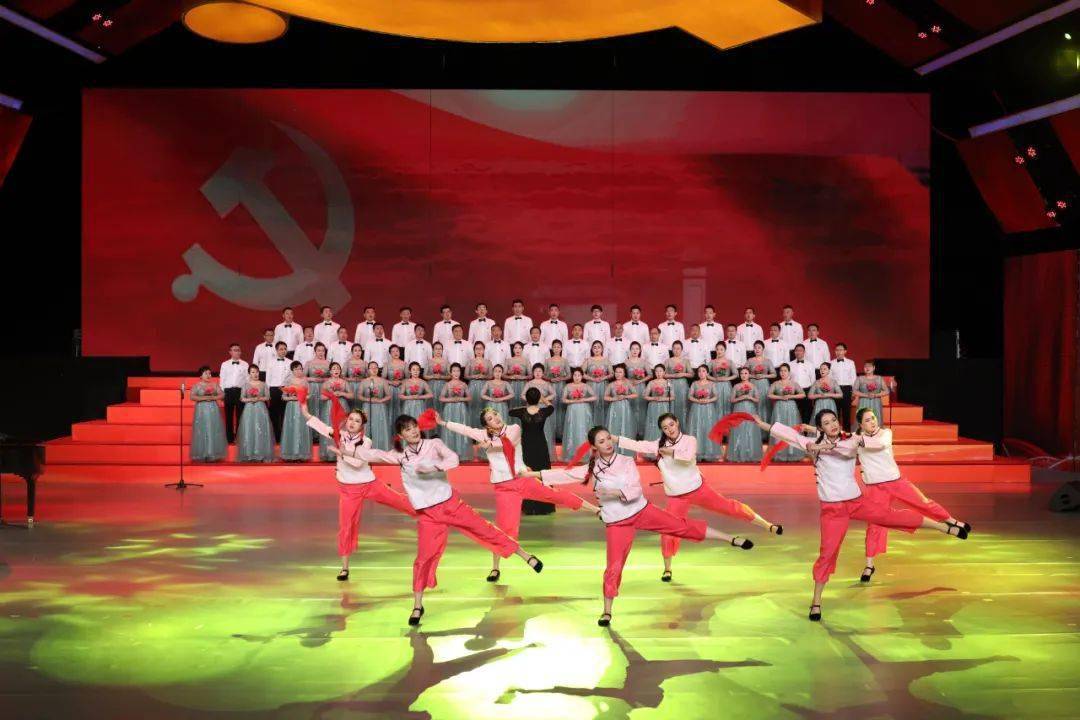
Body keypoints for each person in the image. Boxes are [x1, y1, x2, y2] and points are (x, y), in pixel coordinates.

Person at [750, 410, 967, 622]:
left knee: (890, 517)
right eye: (826, 423)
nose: (832, 424)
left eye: (834, 420)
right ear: (820, 428)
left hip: (856, 503)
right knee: (827, 554)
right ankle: (816, 602)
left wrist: (826, 446)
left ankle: (944, 527)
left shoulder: (851, 440)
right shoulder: (812, 443)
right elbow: (789, 434)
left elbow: (862, 445)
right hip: (832, 510)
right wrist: (763, 425)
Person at [527, 426, 752, 627]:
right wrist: (533, 474)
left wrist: (613, 492)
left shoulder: (626, 462)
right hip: (617, 522)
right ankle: (607, 611)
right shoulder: (592, 468)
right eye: (602, 441)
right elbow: (564, 474)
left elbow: (634, 490)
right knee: (614, 567)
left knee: (680, 527)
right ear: (594, 447)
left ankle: (731, 539)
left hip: (641, 511)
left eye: (608, 439)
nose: (607, 443)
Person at [365, 415, 545, 626]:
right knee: (423, 558)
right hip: (428, 514)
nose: (413, 431)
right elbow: (372, 454)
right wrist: (345, 449)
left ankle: (525, 555)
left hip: (451, 504)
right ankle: (417, 605)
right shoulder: (400, 456)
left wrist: (434, 467)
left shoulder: (434, 444)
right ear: (401, 435)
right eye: (407, 429)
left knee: (486, 530)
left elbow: (453, 460)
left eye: (414, 427)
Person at [615, 413, 781, 581]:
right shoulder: (658, 445)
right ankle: (667, 569)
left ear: (677, 423)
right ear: (662, 430)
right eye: (665, 428)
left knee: (731, 507)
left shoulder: (689, 440)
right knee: (668, 531)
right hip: (676, 496)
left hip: (698, 489)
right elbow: (635, 444)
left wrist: (670, 452)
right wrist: (613, 439)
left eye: (671, 425)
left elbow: (687, 458)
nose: (669, 429)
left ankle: (767, 525)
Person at [438, 407, 598, 580]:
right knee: (504, 529)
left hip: (523, 479)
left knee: (556, 495)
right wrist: (443, 423)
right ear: (487, 425)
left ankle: (596, 510)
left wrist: (489, 445)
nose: (495, 418)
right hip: (504, 487)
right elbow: (464, 429)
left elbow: (507, 444)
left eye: (495, 415)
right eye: (490, 418)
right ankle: (496, 568)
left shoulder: (514, 428)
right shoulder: (483, 435)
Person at [855, 407, 972, 583]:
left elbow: (879, 445)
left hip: (896, 481)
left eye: (873, 418)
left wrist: (856, 440)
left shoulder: (885, 433)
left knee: (923, 502)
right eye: (867, 420)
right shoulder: (855, 439)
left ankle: (951, 520)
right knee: (874, 524)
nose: (872, 422)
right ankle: (869, 565)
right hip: (875, 488)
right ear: (861, 425)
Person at [301, 404, 416, 581]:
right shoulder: (339, 435)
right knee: (346, 527)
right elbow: (318, 425)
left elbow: (357, 463)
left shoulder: (366, 441)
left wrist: (342, 452)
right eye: (351, 419)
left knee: (398, 500)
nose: (352, 422)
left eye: (357, 421)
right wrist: (304, 409)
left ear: (362, 426)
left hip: (369, 483)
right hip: (348, 489)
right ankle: (344, 568)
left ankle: (429, 511)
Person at [766, 364, 806, 461]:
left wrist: (791, 396)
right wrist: (780, 397)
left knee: (791, 428)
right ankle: (779, 452)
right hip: (779, 408)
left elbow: (803, 394)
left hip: (791, 407)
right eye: (781, 371)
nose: (783, 373)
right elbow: (769, 395)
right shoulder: (776, 383)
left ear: (789, 372)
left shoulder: (794, 383)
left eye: (785, 371)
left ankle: (792, 451)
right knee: (779, 429)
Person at [236, 364, 274, 462]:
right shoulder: (245, 385)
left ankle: (261, 454)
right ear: (249, 373)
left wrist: (259, 398)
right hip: (249, 409)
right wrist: (250, 399)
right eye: (253, 372)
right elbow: (242, 398)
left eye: (257, 372)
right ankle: (249, 454)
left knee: (261, 429)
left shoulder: (263, 384)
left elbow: (267, 397)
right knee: (249, 429)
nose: (255, 374)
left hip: (261, 408)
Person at [190, 365, 227, 462]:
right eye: (205, 373)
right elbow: (192, 397)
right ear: (200, 375)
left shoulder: (214, 385)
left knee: (212, 428)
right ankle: (202, 453)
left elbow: (222, 394)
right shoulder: (197, 386)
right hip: (201, 410)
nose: (208, 375)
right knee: (202, 429)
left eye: (209, 373)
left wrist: (213, 397)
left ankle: (212, 453)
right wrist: (204, 398)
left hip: (213, 410)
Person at [521, 365, 557, 461]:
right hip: (531, 408)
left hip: (542, 408)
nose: (538, 373)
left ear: (543, 373)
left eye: (540, 371)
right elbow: (522, 395)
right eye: (536, 371)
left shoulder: (546, 383)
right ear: (533, 372)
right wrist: (530, 400)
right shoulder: (529, 383)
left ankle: (545, 453)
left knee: (545, 429)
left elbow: (554, 394)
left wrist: (543, 400)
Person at [318, 363, 353, 461]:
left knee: (342, 427)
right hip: (330, 407)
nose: (336, 370)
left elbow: (351, 395)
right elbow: (321, 397)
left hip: (342, 406)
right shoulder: (326, 383)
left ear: (340, 371)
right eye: (334, 369)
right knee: (330, 428)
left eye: (338, 368)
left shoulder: (344, 382)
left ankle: (344, 453)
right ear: (330, 371)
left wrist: (341, 393)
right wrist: (331, 395)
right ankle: (330, 454)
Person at [686, 366, 722, 461]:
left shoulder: (711, 384)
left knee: (708, 428)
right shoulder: (694, 383)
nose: (701, 373)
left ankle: (709, 452)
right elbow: (689, 396)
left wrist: (708, 400)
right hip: (696, 408)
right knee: (696, 427)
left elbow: (716, 396)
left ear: (707, 373)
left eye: (703, 371)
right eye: (699, 371)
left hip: (708, 408)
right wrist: (697, 400)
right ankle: (696, 453)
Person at [726, 367, 762, 462]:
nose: (744, 375)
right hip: (739, 409)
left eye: (746, 373)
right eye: (742, 373)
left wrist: (749, 397)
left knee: (750, 430)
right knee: (738, 430)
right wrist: (741, 397)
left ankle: (750, 454)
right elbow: (732, 400)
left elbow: (757, 399)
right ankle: (738, 454)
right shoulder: (736, 386)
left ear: (749, 375)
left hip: (750, 409)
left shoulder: (753, 386)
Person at [438, 364, 473, 459]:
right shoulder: (447, 384)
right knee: (449, 429)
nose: (456, 373)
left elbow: (469, 397)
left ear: (460, 372)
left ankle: (461, 453)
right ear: (450, 372)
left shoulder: (464, 384)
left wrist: (460, 399)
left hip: (461, 409)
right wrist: (451, 400)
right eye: (454, 371)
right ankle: (449, 454)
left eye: (458, 371)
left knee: (460, 428)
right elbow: (441, 398)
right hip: (449, 409)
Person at [561, 367, 596, 461]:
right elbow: (563, 399)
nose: (577, 377)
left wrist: (584, 399)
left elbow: (594, 397)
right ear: (572, 376)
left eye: (579, 375)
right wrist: (572, 401)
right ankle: (572, 453)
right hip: (572, 409)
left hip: (584, 409)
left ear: (582, 376)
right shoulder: (568, 386)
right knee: (572, 428)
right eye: (575, 375)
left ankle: (585, 453)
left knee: (584, 429)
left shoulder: (586, 386)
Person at [279, 361, 312, 461]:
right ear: (292, 370)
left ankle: (301, 454)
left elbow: (309, 395)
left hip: (302, 406)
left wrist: (302, 397)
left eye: (300, 369)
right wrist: (293, 398)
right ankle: (290, 454)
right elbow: (284, 397)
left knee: (301, 427)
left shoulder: (305, 381)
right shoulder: (288, 381)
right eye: (296, 369)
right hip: (291, 407)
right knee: (291, 427)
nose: (299, 371)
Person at [357, 361, 392, 450]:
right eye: (372, 367)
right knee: (366, 425)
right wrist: (368, 400)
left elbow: (388, 395)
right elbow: (359, 396)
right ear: (368, 370)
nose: (374, 369)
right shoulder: (364, 381)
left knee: (380, 426)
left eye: (376, 367)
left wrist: (380, 400)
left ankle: (380, 447)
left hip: (380, 407)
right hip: (367, 406)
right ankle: (365, 449)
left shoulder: (383, 381)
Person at [604, 364, 638, 453]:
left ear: (624, 373)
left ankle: (625, 450)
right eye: (616, 372)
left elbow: (635, 394)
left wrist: (625, 396)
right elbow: (605, 397)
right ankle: (613, 450)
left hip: (625, 407)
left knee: (625, 425)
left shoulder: (627, 384)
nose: (618, 374)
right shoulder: (611, 384)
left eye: (620, 372)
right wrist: (614, 398)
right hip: (614, 407)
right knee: (613, 425)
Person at [219, 342, 248, 444]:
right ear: (230, 352)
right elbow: (222, 379)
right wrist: (222, 392)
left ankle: (239, 438)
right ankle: (229, 438)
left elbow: (247, 380)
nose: (237, 352)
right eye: (235, 350)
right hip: (228, 392)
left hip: (240, 391)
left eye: (238, 350)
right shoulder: (225, 364)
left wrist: (245, 393)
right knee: (229, 416)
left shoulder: (245, 364)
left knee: (240, 416)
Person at [852, 360, 890, 431]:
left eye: (869, 366)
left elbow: (887, 391)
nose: (867, 368)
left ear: (874, 368)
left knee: (875, 417)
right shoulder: (860, 378)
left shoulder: (879, 378)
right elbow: (854, 391)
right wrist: (866, 395)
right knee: (863, 417)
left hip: (876, 402)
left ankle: (876, 434)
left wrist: (876, 395)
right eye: (865, 366)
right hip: (863, 402)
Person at [266, 341, 291, 441]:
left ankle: (285, 437)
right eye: (281, 349)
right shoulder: (270, 362)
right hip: (274, 389)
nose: (283, 351)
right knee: (274, 414)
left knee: (285, 413)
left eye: (285, 349)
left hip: (286, 389)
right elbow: (268, 378)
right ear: (276, 350)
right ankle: (276, 436)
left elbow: (291, 378)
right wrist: (268, 392)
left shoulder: (290, 362)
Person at [584, 341, 613, 426]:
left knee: (603, 403)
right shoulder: (588, 360)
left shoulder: (606, 360)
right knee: (591, 403)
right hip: (591, 385)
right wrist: (592, 378)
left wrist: (604, 377)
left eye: (599, 347)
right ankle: (591, 425)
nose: (597, 349)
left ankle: (603, 425)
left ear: (602, 349)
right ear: (592, 349)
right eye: (595, 347)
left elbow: (612, 374)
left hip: (603, 385)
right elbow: (581, 373)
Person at [642, 365, 673, 446]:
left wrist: (663, 399)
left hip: (664, 406)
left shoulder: (668, 382)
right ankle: (652, 445)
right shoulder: (651, 382)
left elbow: (672, 397)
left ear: (664, 372)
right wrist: (654, 398)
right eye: (656, 371)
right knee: (653, 423)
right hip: (653, 406)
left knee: (664, 423)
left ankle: (665, 444)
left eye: (660, 371)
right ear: (654, 372)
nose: (658, 373)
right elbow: (645, 396)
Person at [399, 362, 433, 430]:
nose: (416, 371)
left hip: (420, 406)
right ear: (410, 371)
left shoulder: (423, 382)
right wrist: (410, 397)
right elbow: (400, 395)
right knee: (408, 423)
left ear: (420, 371)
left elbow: (431, 394)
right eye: (413, 369)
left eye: (417, 370)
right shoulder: (406, 382)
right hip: (408, 406)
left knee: (419, 423)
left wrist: (420, 397)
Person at [746, 341, 775, 420]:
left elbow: (774, 374)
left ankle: (764, 422)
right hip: (753, 384)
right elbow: (744, 373)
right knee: (753, 402)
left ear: (763, 349)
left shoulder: (768, 361)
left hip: (764, 384)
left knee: (764, 403)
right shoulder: (750, 360)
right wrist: (753, 376)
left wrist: (764, 376)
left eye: (759, 348)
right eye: (755, 348)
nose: (757, 349)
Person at [665, 341, 692, 423]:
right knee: (671, 403)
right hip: (671, 384)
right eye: (674, 348)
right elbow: (664, 375)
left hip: (683, 385)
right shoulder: (668, 361)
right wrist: (674, 375)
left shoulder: (686, 361)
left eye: (678, 348)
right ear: (672, 350)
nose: (676, 350)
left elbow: (691, 374)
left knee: (683, 404)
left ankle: (683, 424)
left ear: (681, 350)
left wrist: (682, 374)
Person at [831, 342, 857, 428]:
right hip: (835, 390)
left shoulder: (850, 362)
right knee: (835, 413)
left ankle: (847, 433)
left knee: (847, 413)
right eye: (837, 350)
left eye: (841, 350)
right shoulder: (831, 363)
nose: (838, 352)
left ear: (845, 351)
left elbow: (853, 378)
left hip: (847, 389)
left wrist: (854, 392)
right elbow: (830, 379)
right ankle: (835, 432)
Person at [464, 345, 490, 426]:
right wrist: (474, 376)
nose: (479, 351)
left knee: (484, 405)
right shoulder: (470, 361)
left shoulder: (488, 362)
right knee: (473, 404)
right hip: (473, 385)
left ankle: (485, 426)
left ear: (484, 350)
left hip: (484, 385)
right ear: (474, 351)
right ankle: (473, 425)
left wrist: (483, 376)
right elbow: (466, 375)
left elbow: (491, 375)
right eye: (477, 349)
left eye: (481, 349)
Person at [789, 344, 816, 422]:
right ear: (794, 352)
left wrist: (811, 393)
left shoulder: (810, 364)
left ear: (804, 352)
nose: (798, 352)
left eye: (800, 350)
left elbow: (813, 381)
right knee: (794, 413)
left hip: (806, 391)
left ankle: (806, 429)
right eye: (796, 350)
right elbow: (788, 379)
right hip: (794, 392)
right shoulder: (790, 364)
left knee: (807, 413)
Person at [708, 342, 735, 419]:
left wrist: (726, 378)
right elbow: (706, 374)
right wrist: (715, 379)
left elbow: (736, 374)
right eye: (717, 349)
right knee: (716, 404)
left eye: (721, 349)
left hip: (726, 386)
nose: (719, 351)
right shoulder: (712, 362)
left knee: (727, 404)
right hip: (715, 385)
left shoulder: (729, 362)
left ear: (725, 350)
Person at [382, 344, 408, 420]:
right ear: (390, 353)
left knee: (401, 408)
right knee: (390, 408)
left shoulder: (404, 364)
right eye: (393, 351)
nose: (395, 353)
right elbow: (383, 379)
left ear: (399, 352)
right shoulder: (387, 364)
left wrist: (400, 382)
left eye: (397, 351)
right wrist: (391, 382)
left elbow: (407, 378)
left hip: (401, 389)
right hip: (390, 389)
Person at [425, 342, 450, 412]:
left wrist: (441, 377)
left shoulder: (446, 362)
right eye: (436, 349)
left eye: (440, 349)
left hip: (443, 386)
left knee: (442, 404)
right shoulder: (429, 361)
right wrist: (433, 376)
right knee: (431, 404)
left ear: (442, 350)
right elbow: (424, 375)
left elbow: (450, 376)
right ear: (433, 350)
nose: (438, 351)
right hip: (431, 385)